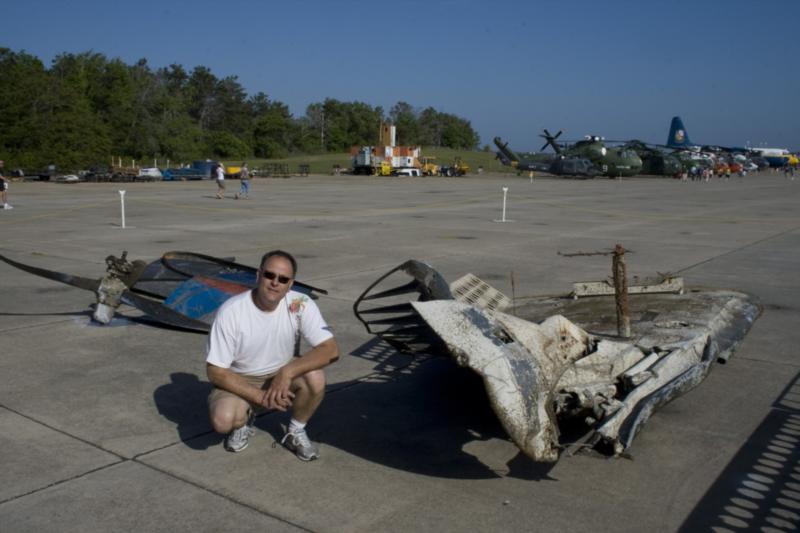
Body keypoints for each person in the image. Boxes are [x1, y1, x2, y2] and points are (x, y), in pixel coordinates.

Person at [206, 250, 339, 460]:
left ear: (290, 284)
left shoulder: (301, 304)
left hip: (281, 371)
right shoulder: (232, 311)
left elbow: (331, 350)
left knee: (315, 376)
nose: (275, 282)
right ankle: (243, 422)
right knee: (223, 421)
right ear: (258, 275)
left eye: (283, 279)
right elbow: (215, 371)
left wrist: (287, 372)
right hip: (241, 378)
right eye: (269, 275)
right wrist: (259, 396)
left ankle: (295, 430)